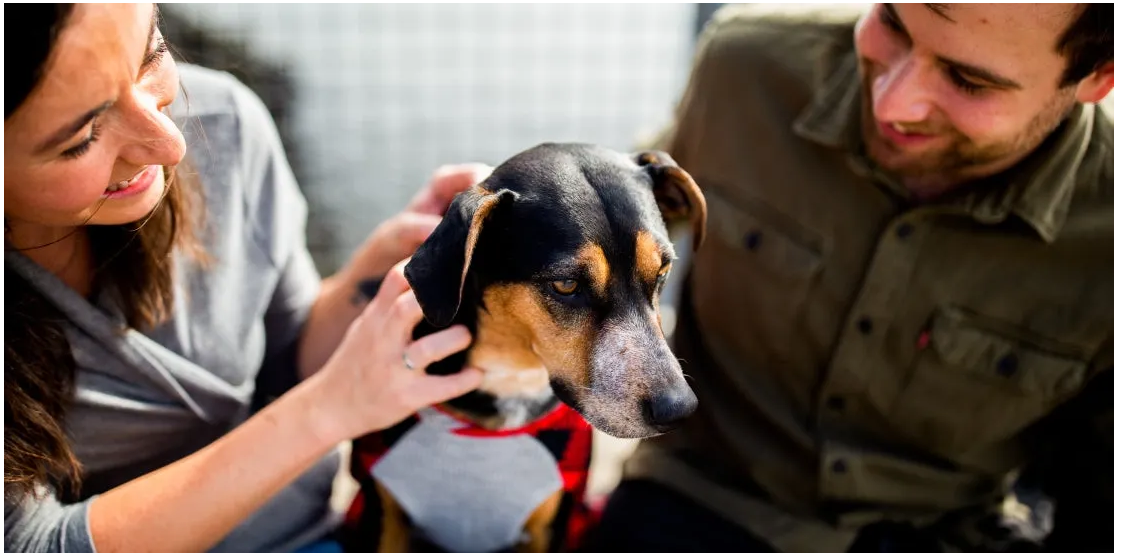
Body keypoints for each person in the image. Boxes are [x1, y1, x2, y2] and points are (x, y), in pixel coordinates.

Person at [581, 3, 1113, 553]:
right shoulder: (744, 69)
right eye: (893, 23)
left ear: (1098, 75)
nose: (892, 102)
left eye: (969, 80)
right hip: (695, 497)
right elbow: (608, 226)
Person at [4, 3, 489, 553]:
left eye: (153, 55)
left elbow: (284, 356)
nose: (171, 145)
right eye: (83, 138)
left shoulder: (226, 125)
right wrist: (329, 409)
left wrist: (376, 270)